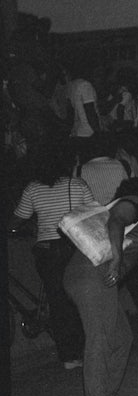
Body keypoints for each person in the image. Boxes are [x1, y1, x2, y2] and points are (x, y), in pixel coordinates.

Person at [64, 176, 138, 396]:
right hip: (91, 278)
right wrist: (117, 260)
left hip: (94, 280)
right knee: (101, 340)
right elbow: (116, 221)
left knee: (122, 338)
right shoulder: (131, 203)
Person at [11, 141, 95, 369]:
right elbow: (94, 211)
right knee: (79, 300)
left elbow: (18, 219)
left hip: (47, 252)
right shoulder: (76, 185)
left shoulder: (33, 189)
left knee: (58, 303)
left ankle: (68, 355)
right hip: (74, 248)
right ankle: (87, 348)